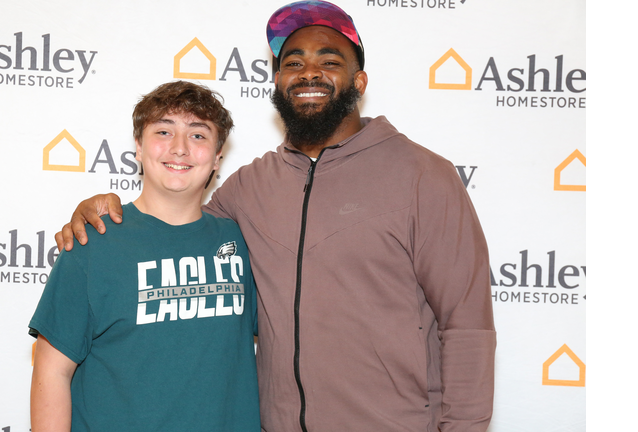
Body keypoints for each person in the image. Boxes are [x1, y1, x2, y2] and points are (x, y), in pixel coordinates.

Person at [57, 1, 496, 431]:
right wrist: (104, 206)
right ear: (278, 81)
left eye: (329, 61)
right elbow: (175, 223)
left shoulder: (423, 176)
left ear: (359, 81)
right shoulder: (249, 186)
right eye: (293, 63)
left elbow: (467, 326)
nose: (309, 73)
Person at [29, 81, 261, 432]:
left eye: (198, 135)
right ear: (138, 146)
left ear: (217, 157)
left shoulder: (242, 241)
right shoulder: (93, 241)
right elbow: (52, 372)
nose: (179, 148)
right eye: (164, 131)